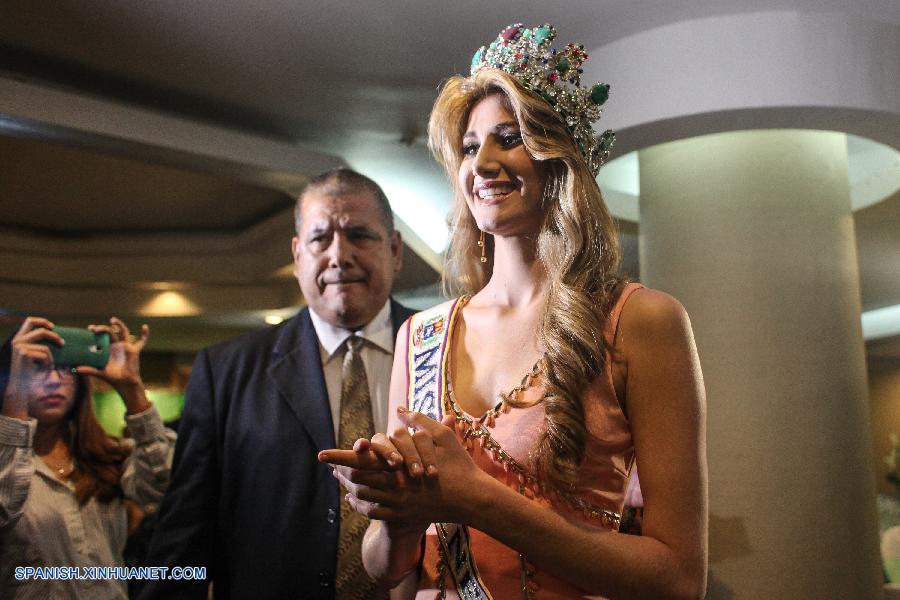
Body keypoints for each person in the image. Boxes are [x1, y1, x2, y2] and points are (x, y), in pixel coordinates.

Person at [320, 23, 708, 599]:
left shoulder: (641, 322)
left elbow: (679, 580)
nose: (482, 162)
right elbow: (390, 568)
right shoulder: (420, 337)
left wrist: (474, 497)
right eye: (470, 147)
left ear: (559, 157)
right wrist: (398, 514)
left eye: (510, 137)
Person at [140, 168, 415, 599]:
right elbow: (185, 534)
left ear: (395, 250)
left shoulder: (442, 353)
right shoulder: (226, 372)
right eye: (320, 239)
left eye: (360, 235)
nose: (339, 255)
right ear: (297, 255)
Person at [0, 316, 175, 599]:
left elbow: (162, 491)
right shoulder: (6, 462)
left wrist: (132, 389)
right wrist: (16, 395)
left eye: (65, 368)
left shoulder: (105, 456)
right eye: (37, 369)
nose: (54, 380)